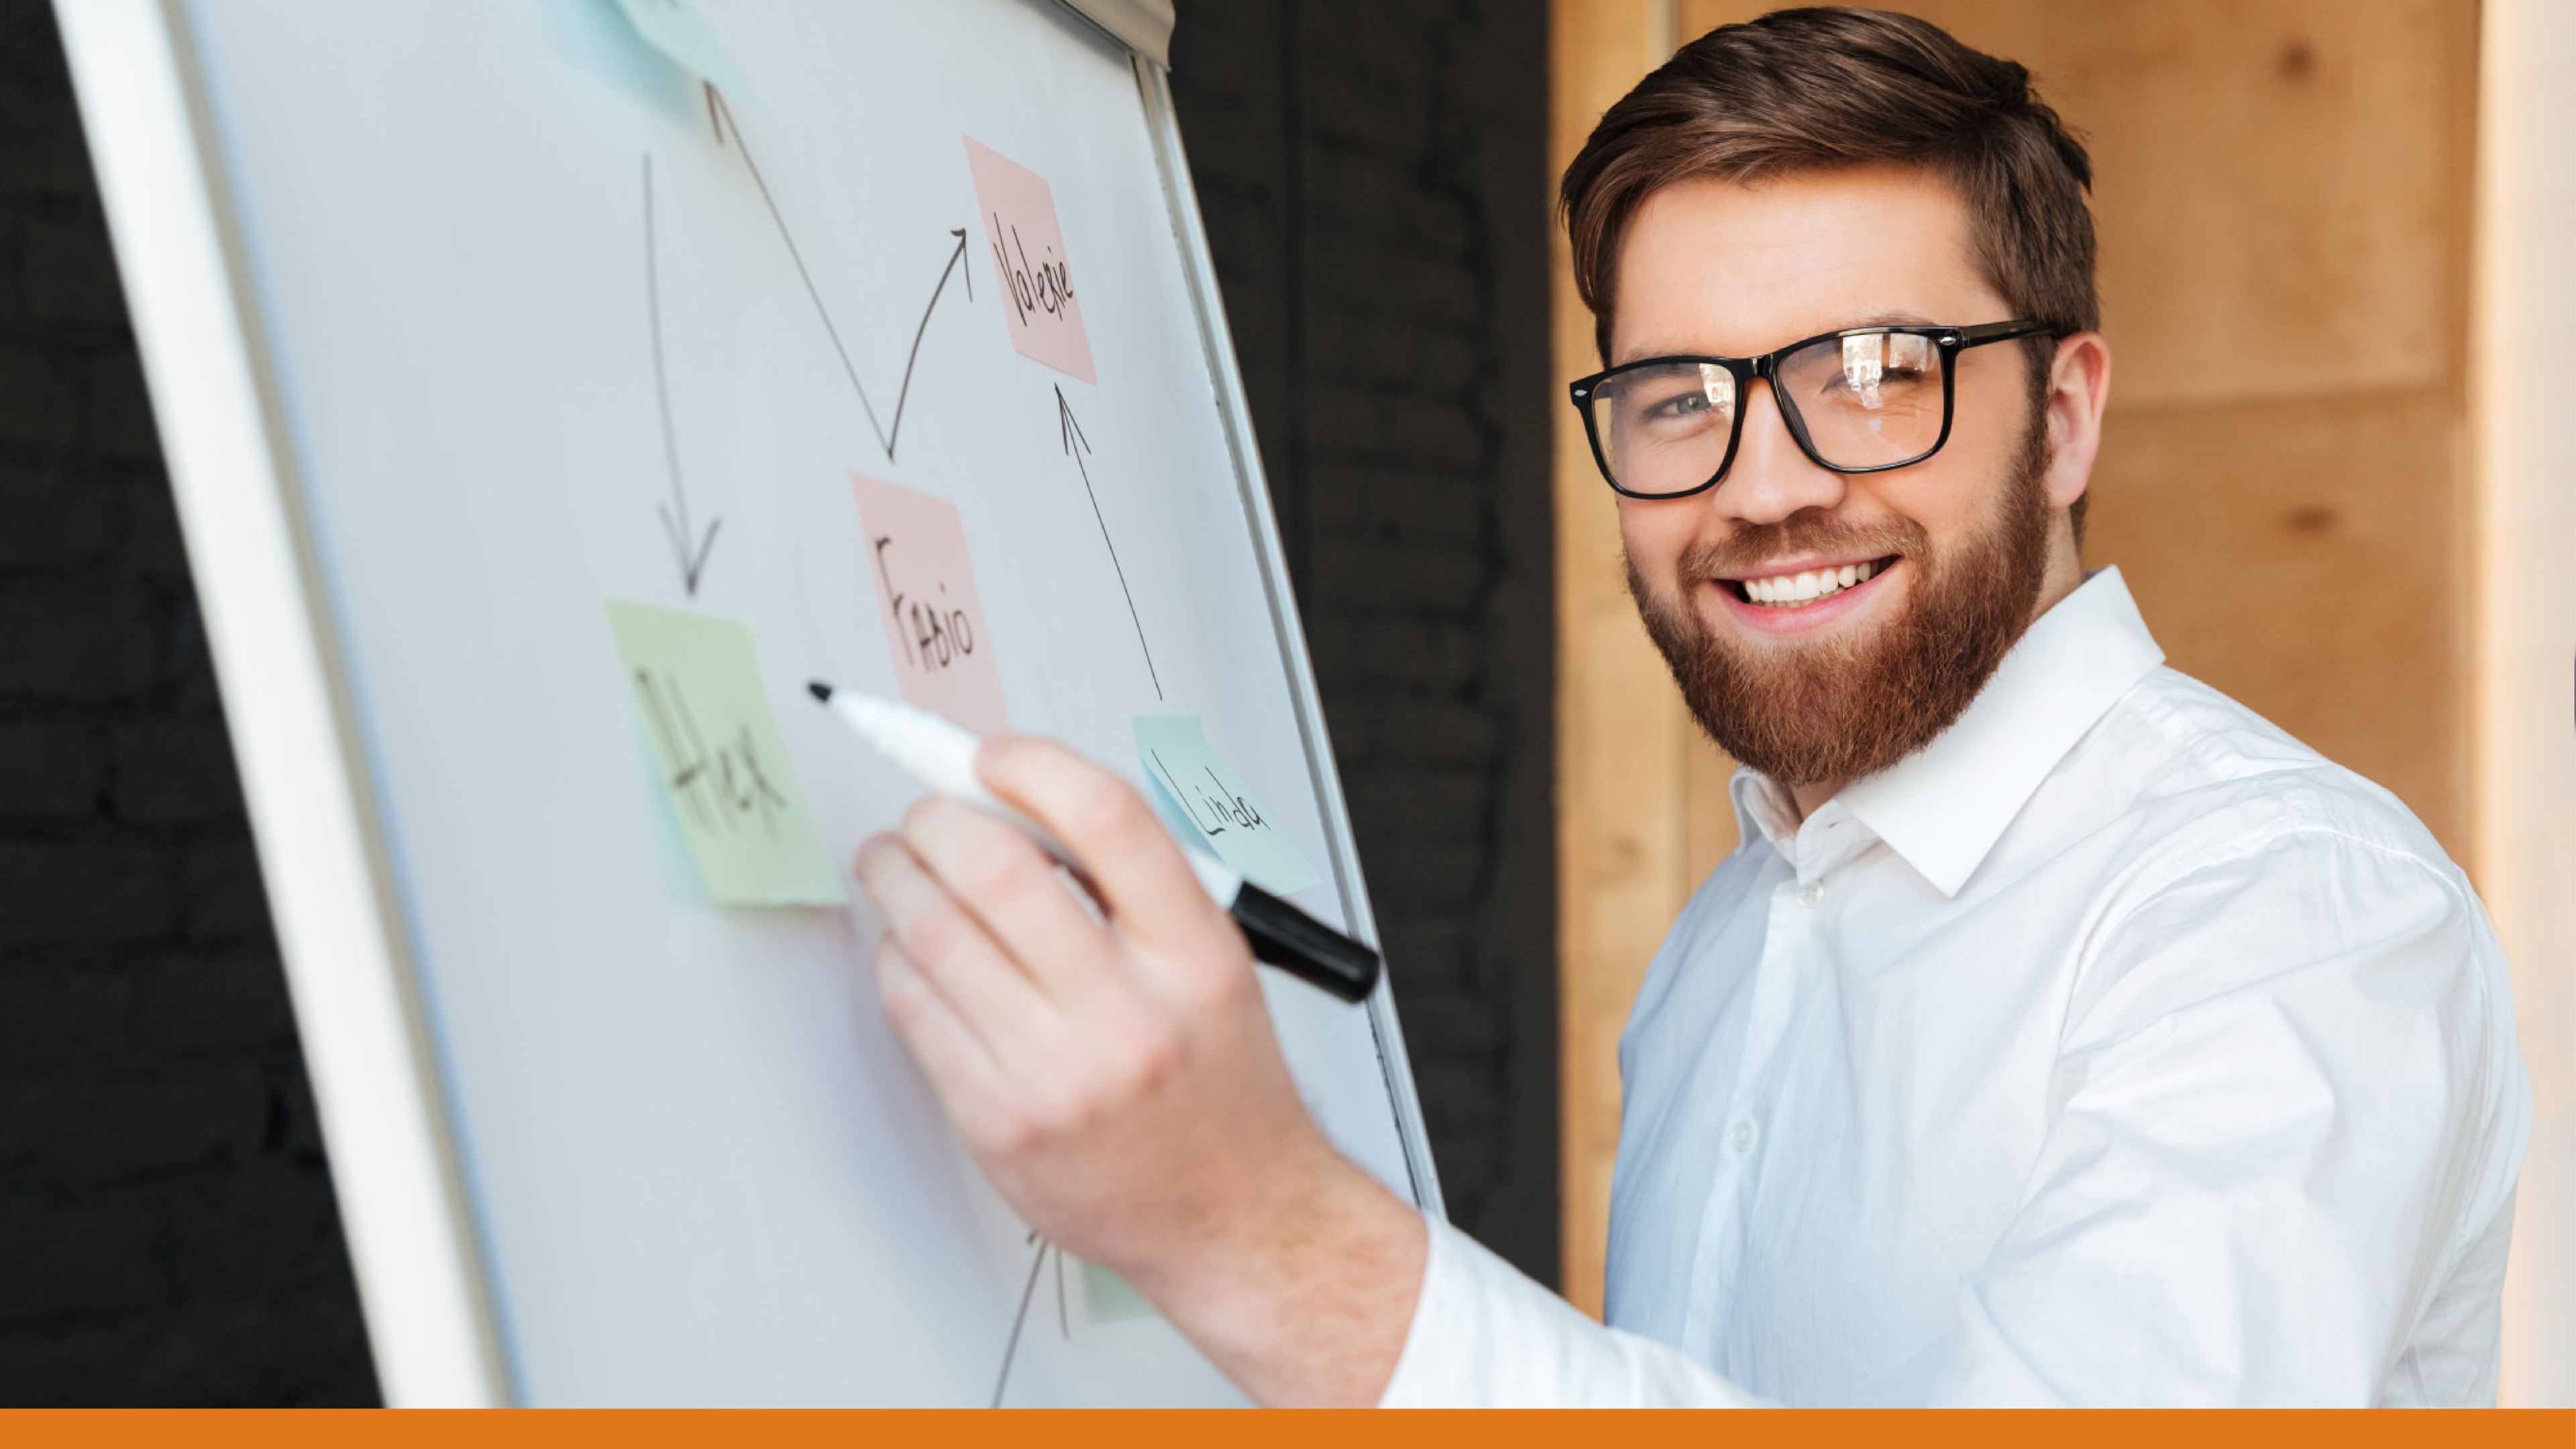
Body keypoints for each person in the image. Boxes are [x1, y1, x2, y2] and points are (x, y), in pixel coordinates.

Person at [849, 7, 2532, 1407]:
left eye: (1874, 377)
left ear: (2067, 415)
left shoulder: (2290, 917)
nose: (1767, 486)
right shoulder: (1724, 946)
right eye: (1676, 399)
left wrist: (1264, 1236)